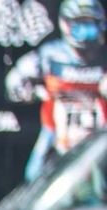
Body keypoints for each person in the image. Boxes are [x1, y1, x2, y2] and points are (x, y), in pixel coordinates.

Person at [6, 0, 107, 181]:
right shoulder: (50, 55)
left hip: (99, 134)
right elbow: (15, 80)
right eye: (80, 24)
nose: (86, 31)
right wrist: (32, 92)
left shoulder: (104, 56)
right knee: (35, 175)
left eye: (91, 24)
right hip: (57, 131)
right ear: (66, 24)